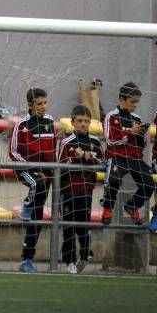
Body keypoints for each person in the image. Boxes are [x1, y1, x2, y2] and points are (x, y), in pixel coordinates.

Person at [9, 88, 57, 273]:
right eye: (39, 104)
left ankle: (27, 259)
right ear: (30, 105)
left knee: (37, 218)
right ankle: (26, 206)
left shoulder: (50, 122)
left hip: (46, 175)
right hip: (27, 170)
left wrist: (51, 169)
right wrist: (33, 168)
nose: (43, 107)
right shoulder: (21, 125)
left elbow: (52, 149)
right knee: (37, 183)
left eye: (45, 103)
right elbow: (13, 152)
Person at [101, 82, 154, 225]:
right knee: (114, 180)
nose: (135, 105)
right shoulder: (111, 117)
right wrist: (129, 132)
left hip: (135, 158)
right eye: (132, 102)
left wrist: (143, 133)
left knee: (149, 184)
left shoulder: (136, 119)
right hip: (117, 157)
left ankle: (132, 206)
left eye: (137, 102)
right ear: (122, 99)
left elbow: (141, 145)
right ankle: (107, 208)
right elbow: (110, 140)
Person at [58, 105, 102, 274]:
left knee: (84, 226)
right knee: (68, 227)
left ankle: (85, 254)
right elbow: (59, 165)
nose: (83, 124)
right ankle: (69, 261)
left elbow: (101, 162)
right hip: (68, 191)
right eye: (80, 121)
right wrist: (75, 159)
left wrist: (85, 156)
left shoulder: (96, 142)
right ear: (73, 122)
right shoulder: (66, 142)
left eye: (86, 121)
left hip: (86, 191)